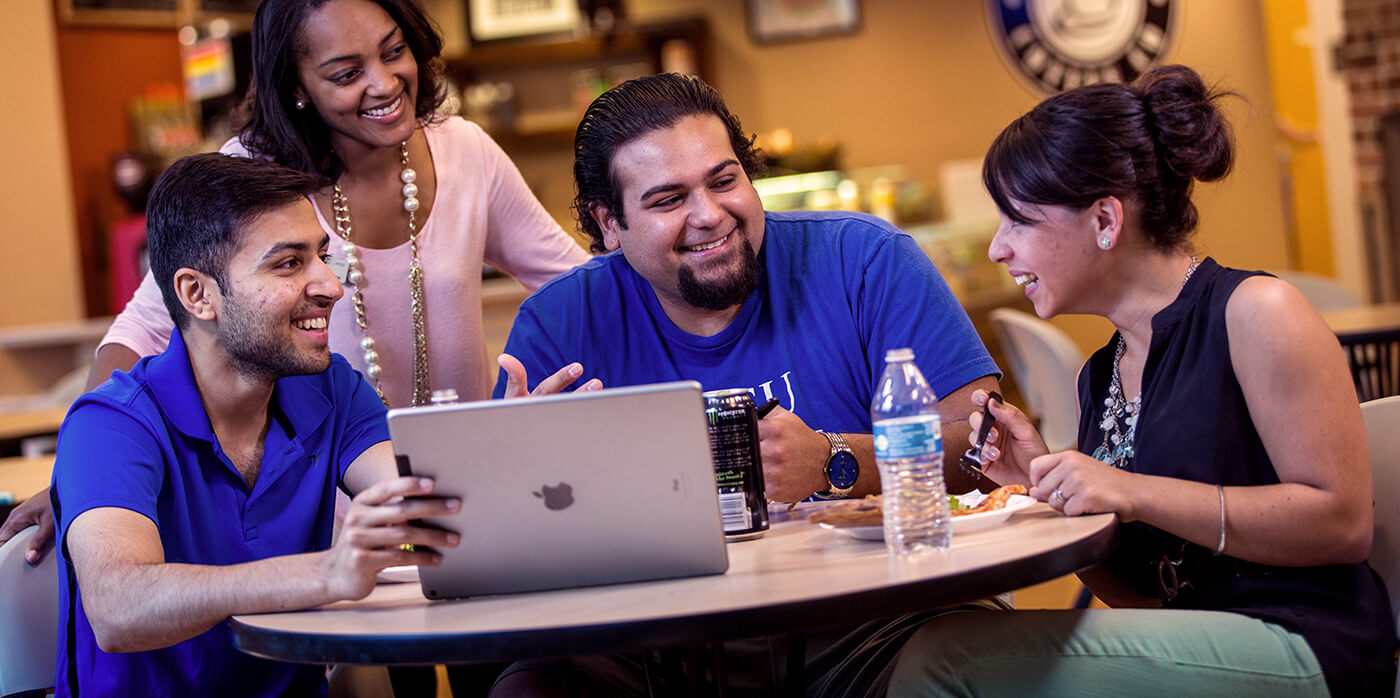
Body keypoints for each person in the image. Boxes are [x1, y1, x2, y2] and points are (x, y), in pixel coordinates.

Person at [0, 0, 587, 563]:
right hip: (328, 516)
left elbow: (574, 282)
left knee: (492, 659)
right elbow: (145, 327)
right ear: (298, 87)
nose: (383, 83)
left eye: (394, 52)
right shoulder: (254, 173)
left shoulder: (464, 151)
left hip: (469, 483)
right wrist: (78, 478)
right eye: (347, 72)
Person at [887, 64, 1396, 697]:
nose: (997, 248)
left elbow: (1344, 525)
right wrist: (1052, 495)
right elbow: (1137, 598)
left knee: (944, 659)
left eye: (1019, 220)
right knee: (940, 642)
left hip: (1305, 642)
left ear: (1105, 219)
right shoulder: (1100, 373)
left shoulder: (1256, 312)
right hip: (1198, 642)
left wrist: (1131, 490)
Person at [488, 73, 1001, 697]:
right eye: (667, 199)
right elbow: (501, 548)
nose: (709, 216)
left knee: (974, 664)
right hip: (647, 648)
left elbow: (985, 454)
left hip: (871, 625)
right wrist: (516, 482)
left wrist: (834, 460)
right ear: (610, 223)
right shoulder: (560, 320)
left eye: (724, 180)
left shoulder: (866, 260)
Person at [51, 153, 460, 696]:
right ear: (199, 295)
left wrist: (505, 449)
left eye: (322, 256)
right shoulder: (111, 424)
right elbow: (118, 607)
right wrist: (325, 573)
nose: (331, 287)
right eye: (288, 264)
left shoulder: (331, 387)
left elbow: (424, 506)